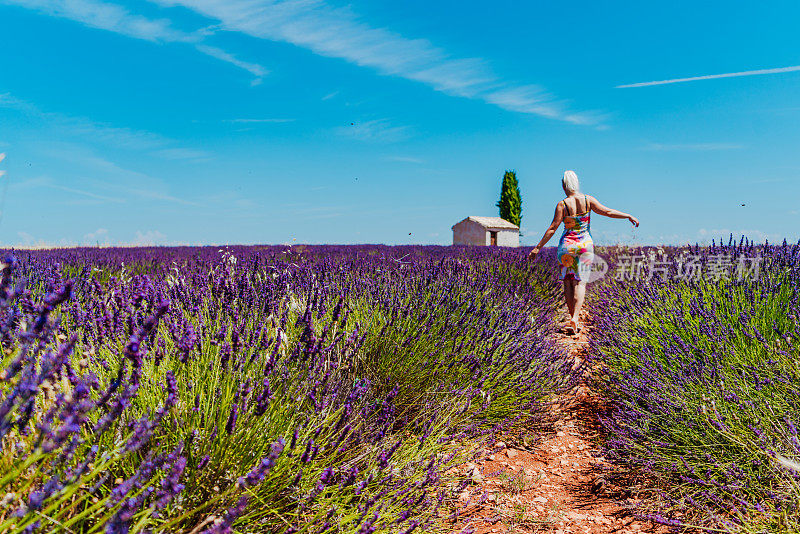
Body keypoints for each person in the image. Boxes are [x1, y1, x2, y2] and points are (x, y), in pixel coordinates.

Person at [528, 170, 639, 335]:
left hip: (566, 246)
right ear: (577, 183)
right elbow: (607, 212)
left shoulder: (562, 204)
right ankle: (576, 318)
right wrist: (627, 215)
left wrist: (538, 247)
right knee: (580, 283)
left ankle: (571, 316)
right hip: (584, 245)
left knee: (567, 282)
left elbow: (553, 228)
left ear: (564, 185)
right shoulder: (588, 200)